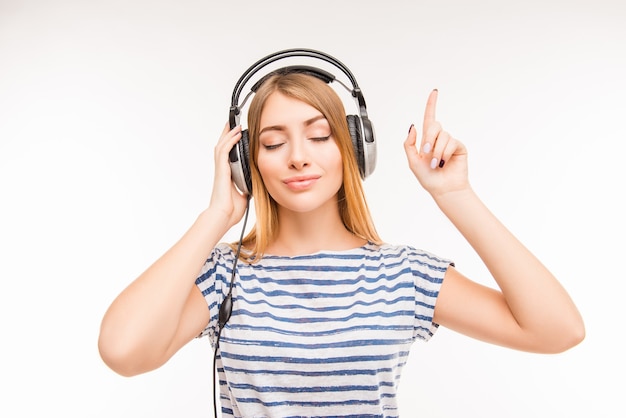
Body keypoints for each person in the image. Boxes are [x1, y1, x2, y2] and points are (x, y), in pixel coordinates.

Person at [98, 55, 585, 417]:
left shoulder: (403, 275)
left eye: (319, 134)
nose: (298, 156)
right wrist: (215, 217)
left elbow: (557, 330)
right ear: (247, 163)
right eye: (272, 142)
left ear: (354, 147)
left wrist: (454, 193)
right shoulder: (223, 275)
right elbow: (123, 351)